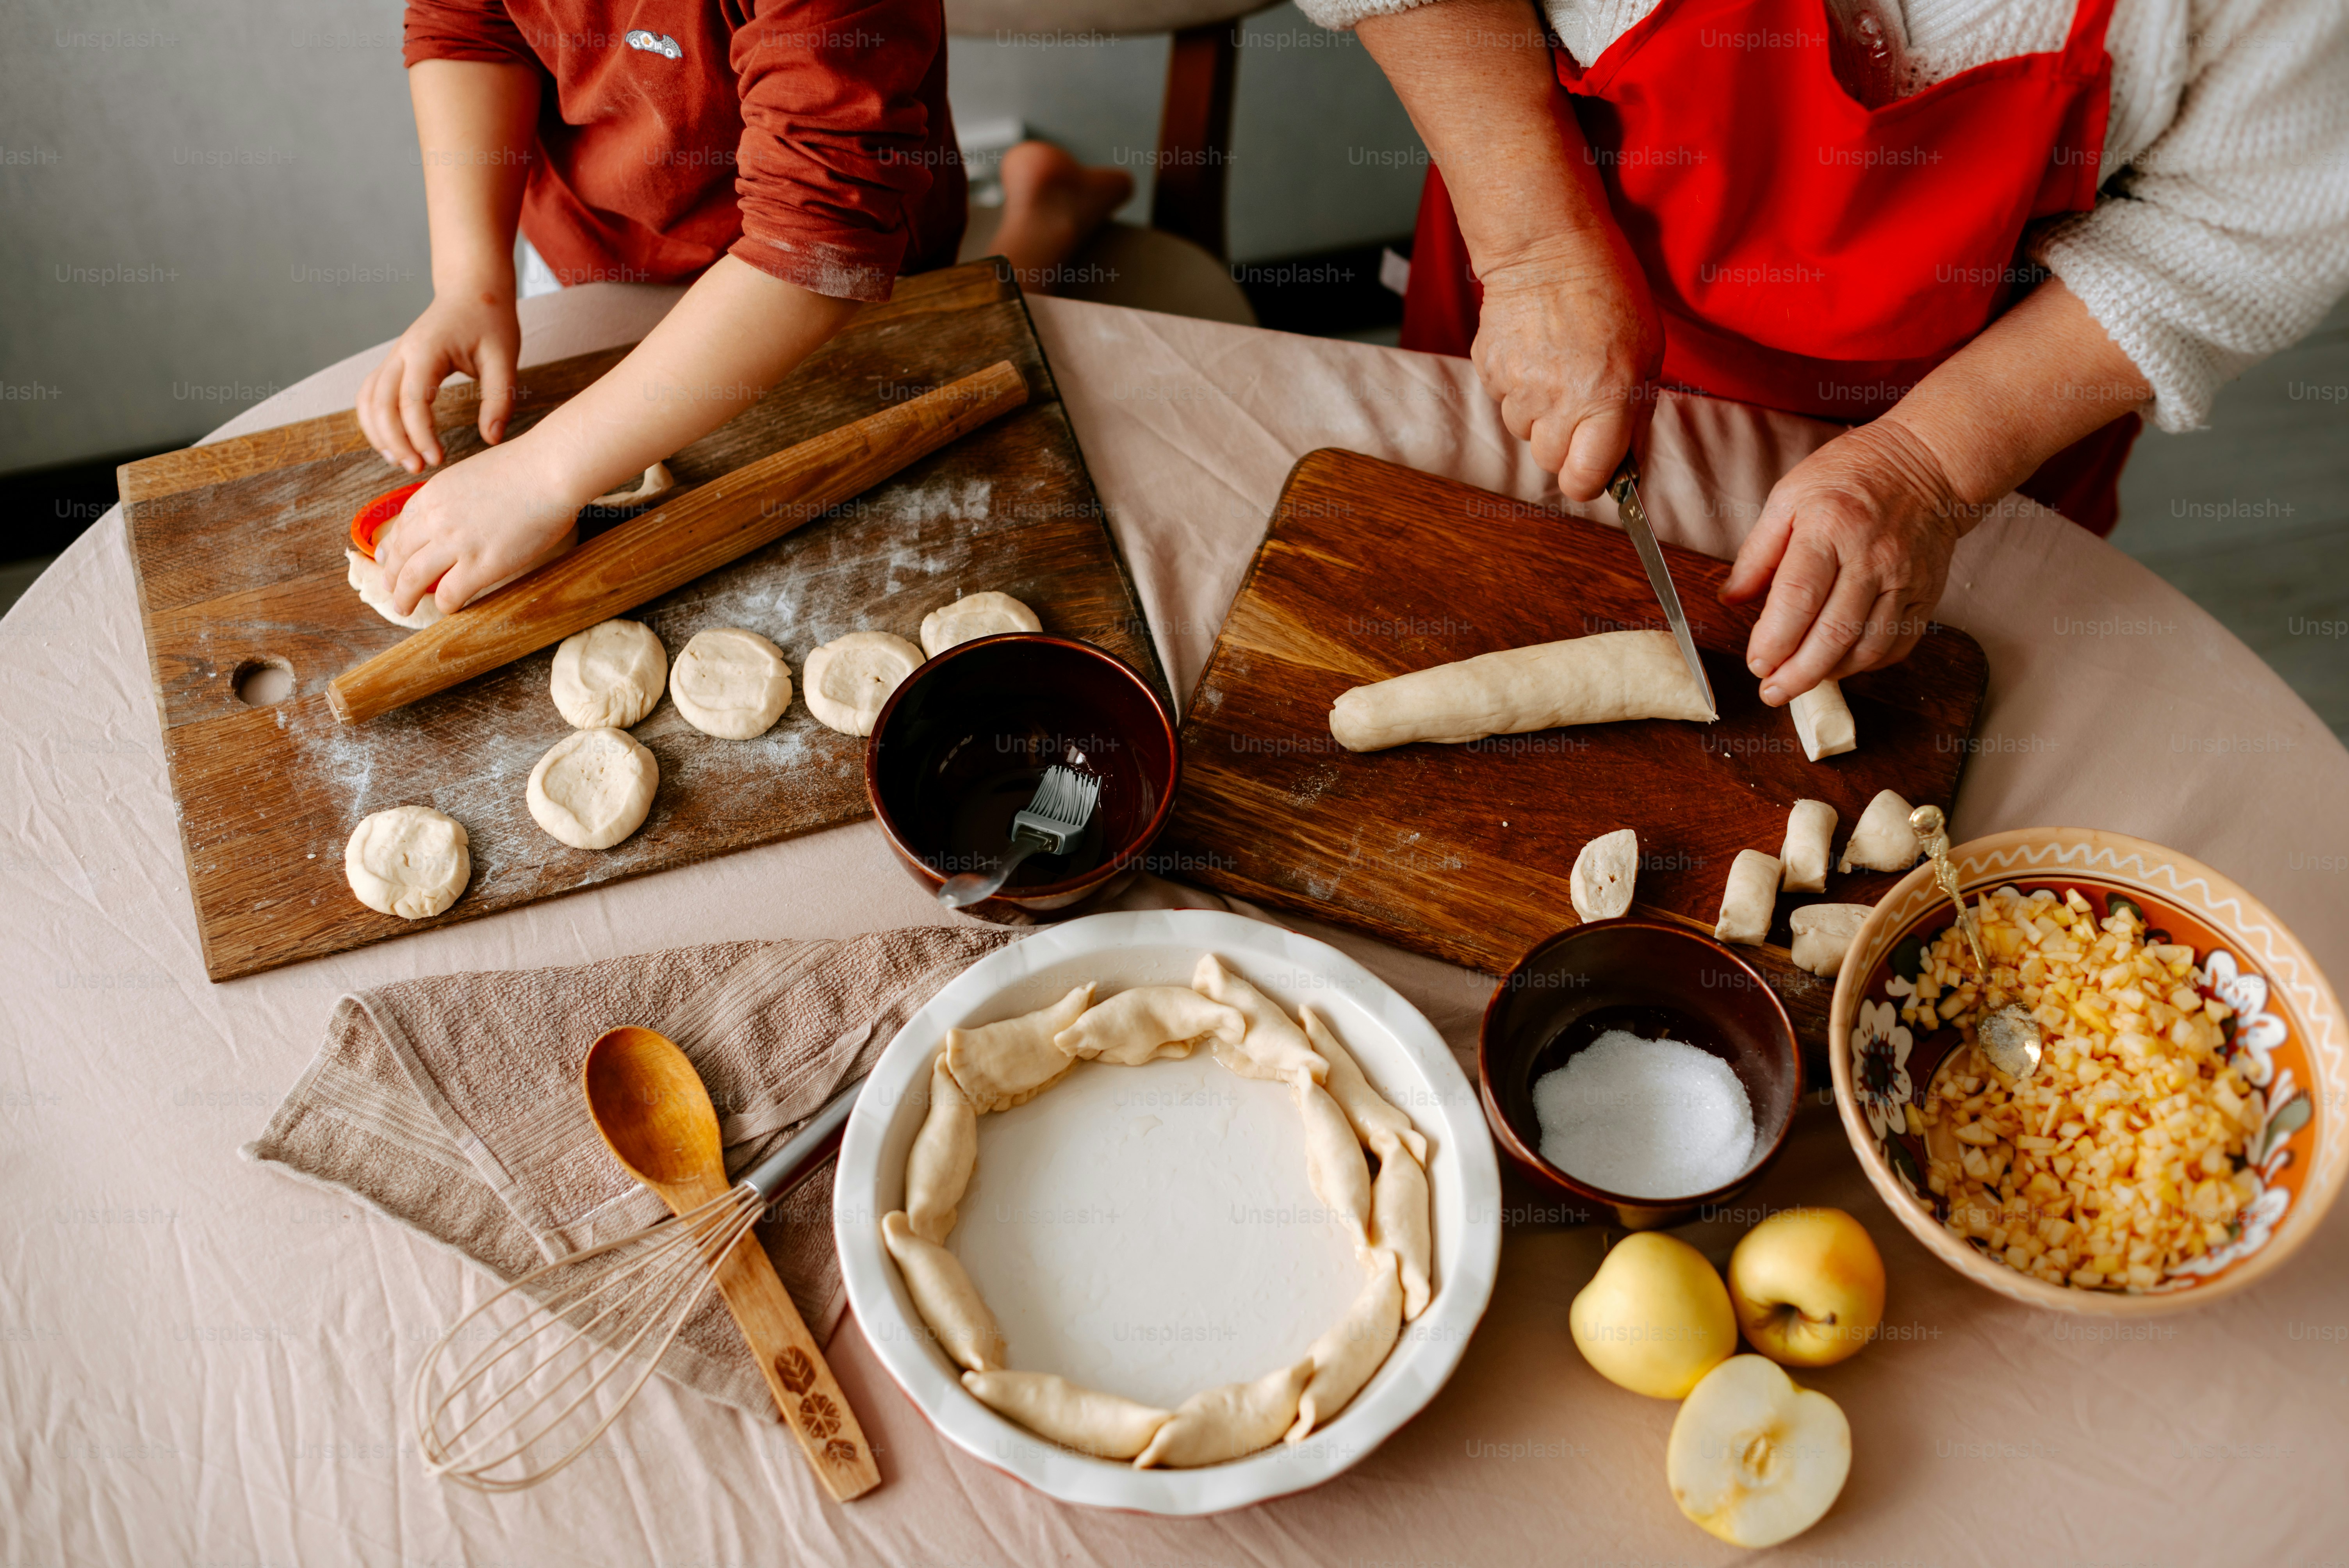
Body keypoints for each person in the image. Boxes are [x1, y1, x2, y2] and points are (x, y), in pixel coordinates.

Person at [1301, 0, 2347, 705]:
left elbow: (2263, 219)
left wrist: (1928, 469)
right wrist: (1534, 251)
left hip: (1971, 402)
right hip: (1560, 277)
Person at [360, 3, 1130, 621]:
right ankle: (1049, 204)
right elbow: (468, 25)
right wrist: (469, 280)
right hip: (595, 250)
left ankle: (1044, 220)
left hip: (818, 287)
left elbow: (818, 237)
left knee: (941, 397)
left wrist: (542, 471)